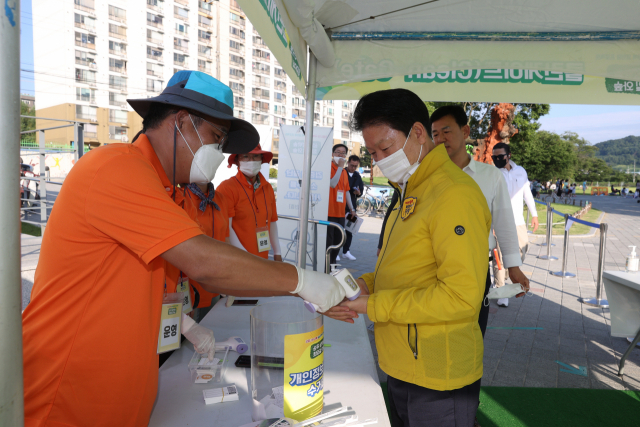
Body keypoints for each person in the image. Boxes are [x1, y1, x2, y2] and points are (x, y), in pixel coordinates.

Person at [21, 71, 346, 427]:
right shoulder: (116, 167)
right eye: (216, 138)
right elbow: (204, 263)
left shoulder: (166, 190)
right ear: (180, 123)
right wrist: (301, 280)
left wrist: (188, 324)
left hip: (120, 396)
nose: (220, 155)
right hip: (66, 397)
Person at [326, 89, 491, 427]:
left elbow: (461, 296)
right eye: (372, 152)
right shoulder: (408, 190)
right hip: (403, 362)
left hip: (437, 374)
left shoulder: (454, 194)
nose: (380, 160)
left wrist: (372, 305)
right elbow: (405, 267)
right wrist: (361, 284)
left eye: (385, 148)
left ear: (418, 133)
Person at [431, 104, 530, 337]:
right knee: (434, 331)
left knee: (472, 332)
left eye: (446, 132)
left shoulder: (490, 176)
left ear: (465, 132)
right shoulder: (427, 175)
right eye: (435, 134)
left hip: (474, 267)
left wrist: (513, 267)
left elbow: (504, 223)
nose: (440, 139)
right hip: (432, 266)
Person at [165, 181, 230, 324]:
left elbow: (226, 239)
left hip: (215, 284)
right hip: (188, 286)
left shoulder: (221, 199)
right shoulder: (178, 198)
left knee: (213, 328)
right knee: (186, 341)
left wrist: (230, 276)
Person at [491, 142, 539, 307]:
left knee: (521, 252)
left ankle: (504, 278)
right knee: (500, 260)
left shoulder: (521, 171)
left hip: (518, 221)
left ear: (508, 155)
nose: (497, 159)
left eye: (500, 156)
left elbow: (527, 194)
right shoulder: (493, 173)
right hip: (499, 222)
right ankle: (501, 290)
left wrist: (535, 215)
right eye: (494, 157)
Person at [218, 144, 282, 261]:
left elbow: (272, 222)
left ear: (262, 159)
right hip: (237, 260)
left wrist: (277, 252)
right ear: (237, 161)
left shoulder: (267, 188)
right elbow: (227, 227)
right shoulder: (227, 188)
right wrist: (246, 257)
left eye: (255, 156)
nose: (251, 160)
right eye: (246, 156)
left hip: (263, 259)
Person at [327, 144, 356, 269]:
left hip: (340, 214)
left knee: (338, 242)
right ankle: (326, 267)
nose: (341, 155)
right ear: (332, 154)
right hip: (329, 212)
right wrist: (339, 168)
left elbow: (347, 191)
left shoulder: (344, 171)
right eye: (338, 152)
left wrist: (352, 209)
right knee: (329, 243)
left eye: (343, 153)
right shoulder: (329, 167)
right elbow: (332, 184)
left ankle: (332, 266)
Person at [341, 154, 364, 261]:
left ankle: (346, 251)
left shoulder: (357, 176)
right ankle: (335, 252)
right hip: (340, 206)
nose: (353, 168)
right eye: (352, 165)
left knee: (349, 230)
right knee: (338, 229)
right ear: (348, 163)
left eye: (356, 166)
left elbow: (361, 191)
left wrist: (358, 193)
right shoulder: (342, 173)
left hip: (352, 208)